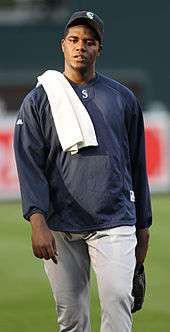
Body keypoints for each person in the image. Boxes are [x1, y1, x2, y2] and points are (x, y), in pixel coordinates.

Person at [14, 10, 152, 332]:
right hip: (61, 223)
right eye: (74, 40)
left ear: (99, 49)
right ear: (62, 45)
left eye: (89, 42)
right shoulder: (39, 99)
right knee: (72, 319)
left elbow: (137, 164)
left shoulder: (123, 98)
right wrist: (37, 219)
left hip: (114, 219)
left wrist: (143, 225)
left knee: (119, 302)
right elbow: (28, 162)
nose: (81, 47)